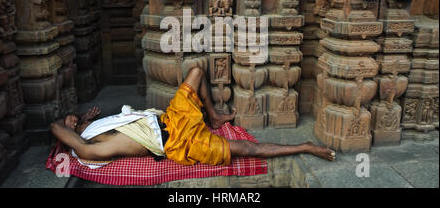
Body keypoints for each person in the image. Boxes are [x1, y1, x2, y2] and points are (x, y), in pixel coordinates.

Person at [51, 67, 336, 168]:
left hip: (171, 118)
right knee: (247, 150)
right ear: (70, 135)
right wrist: (68, 128)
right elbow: (59, 128)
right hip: (178, 142)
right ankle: (307, 146)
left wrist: (80, 118)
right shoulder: (89, 145)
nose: (72, 119)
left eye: (73, 119)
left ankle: (213, 117)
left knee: (197, 70)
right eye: (71, 121)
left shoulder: (92, 124)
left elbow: (75, 123)